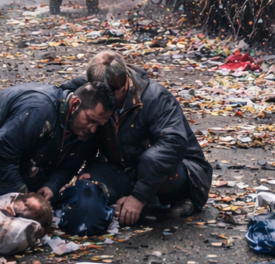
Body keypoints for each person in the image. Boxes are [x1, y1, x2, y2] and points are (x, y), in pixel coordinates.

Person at [63, 51, 212, 224]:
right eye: (102, 94)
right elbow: (58, 101)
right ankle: (129, 203)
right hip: (121, 166)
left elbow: (173, 144)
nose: (107, 100)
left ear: (126, 82)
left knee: (154, 160)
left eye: (113, 94)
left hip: (176, 171)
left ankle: (160, 201)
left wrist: (139, 197)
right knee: (86, 193)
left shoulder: (156, 97)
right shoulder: (88, 89)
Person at [0, 81, 113, 202]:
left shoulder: (81, 128)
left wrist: (51, 186)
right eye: (90, 120)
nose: (92, 129)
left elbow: (71, 163)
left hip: (5, 155)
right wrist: (20, 194)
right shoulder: (41, 111)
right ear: (74, 105)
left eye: (99, 124)